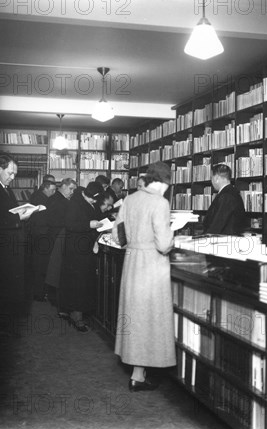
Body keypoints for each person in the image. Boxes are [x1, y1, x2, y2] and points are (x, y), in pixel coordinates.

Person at [112, 162, 175, 392]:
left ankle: (138, 374)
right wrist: (173, 234)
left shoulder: (130, 199)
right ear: (164, 182)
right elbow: (164, 244)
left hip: (132, 262)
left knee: (136, 317)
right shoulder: (160, 202)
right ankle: (144, 372)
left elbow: (117, 234)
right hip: (152, 264)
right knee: (152, 319)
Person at [0, 154, 32, 310]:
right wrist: (18, 218)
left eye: (15, 174)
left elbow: (7, 212)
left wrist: (21, 215)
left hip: (7, 249)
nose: (13, 177)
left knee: (6, 293)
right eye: (10, 173)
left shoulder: (5, 188)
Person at [59, 181, 104, 332]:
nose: (95, 202)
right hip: (76, 249)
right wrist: (89, 225)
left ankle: (75, 310)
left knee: (83, 282)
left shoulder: (90, 201)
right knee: (78, 282)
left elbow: (97, 215)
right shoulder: (75, 202)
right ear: (87, 194)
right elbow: (70, 224)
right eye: (93, 199)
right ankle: (76, 316)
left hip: (87, 247)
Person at [44, 178, 77, 306]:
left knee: (54, 268)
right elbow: (54, 220)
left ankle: (53, 296)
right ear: (62, 186)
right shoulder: (59, 200)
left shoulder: (58, 198)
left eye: (74, 189)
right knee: (55, 268)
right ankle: (53, 298)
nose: (72, 192)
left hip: (56, 235)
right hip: (56, 236)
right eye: (70, 189)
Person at [203, 163, 248, 235]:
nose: (211, 181)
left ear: (216, 178)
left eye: (211, 178)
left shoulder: (226, 196)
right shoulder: (230, 192)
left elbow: (217, 225)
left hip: (222, 240)